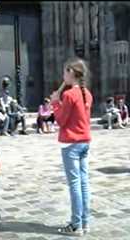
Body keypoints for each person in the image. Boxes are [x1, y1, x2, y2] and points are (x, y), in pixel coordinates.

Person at [50, 57, 93, 236]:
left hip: (72, 144)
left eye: (64, 72)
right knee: (83, 183)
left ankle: (76, 225)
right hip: (84, 142)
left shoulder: (69, 95)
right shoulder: (87, 93)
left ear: (71, 73)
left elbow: (61, 120)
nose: (63, 76)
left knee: (75, 184)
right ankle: (85, 222)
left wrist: (55, 102)